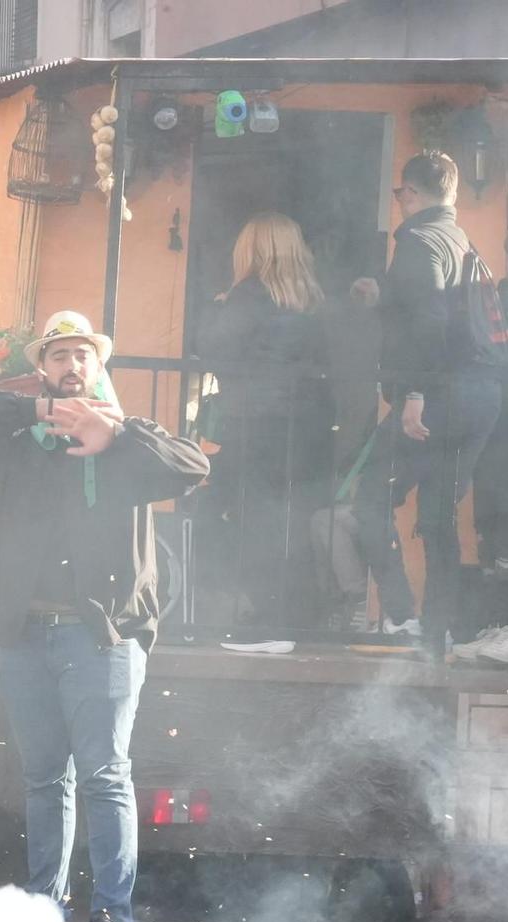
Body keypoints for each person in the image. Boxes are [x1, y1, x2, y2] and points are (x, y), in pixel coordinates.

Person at [0, 312, 210, 922]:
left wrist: (114, 434)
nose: (71, 366)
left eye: (82, 355)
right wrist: (38, 409)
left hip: (100, 638)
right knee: (43, 777)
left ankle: (113, 916)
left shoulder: (133, 440)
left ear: (99, 367)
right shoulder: (20, 438)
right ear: (45, 368)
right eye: (59, 355)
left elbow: (192, 466)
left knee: (105, 776)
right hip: (26, 634)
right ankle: (46, 908)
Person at [349, 150, 505, 649]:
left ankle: (399, 615)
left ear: (411, 194)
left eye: (399, 194)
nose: (398, 203)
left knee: (370, 496)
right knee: (439, 517)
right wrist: (384, 299)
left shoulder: (416, 240)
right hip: (482, 397)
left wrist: (413, 393)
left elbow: (429, 322)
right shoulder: (462, 240)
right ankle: (437, 632)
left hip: (438, 393)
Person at [200, 212, 331, 627]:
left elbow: (212, 351)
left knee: (242, 517)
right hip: (303, 432)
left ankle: (265, 618)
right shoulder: (310, 304)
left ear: (252, 251)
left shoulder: (247, 297)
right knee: (286, 524)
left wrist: (215, 308)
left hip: (254, 426)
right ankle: (296, 617)